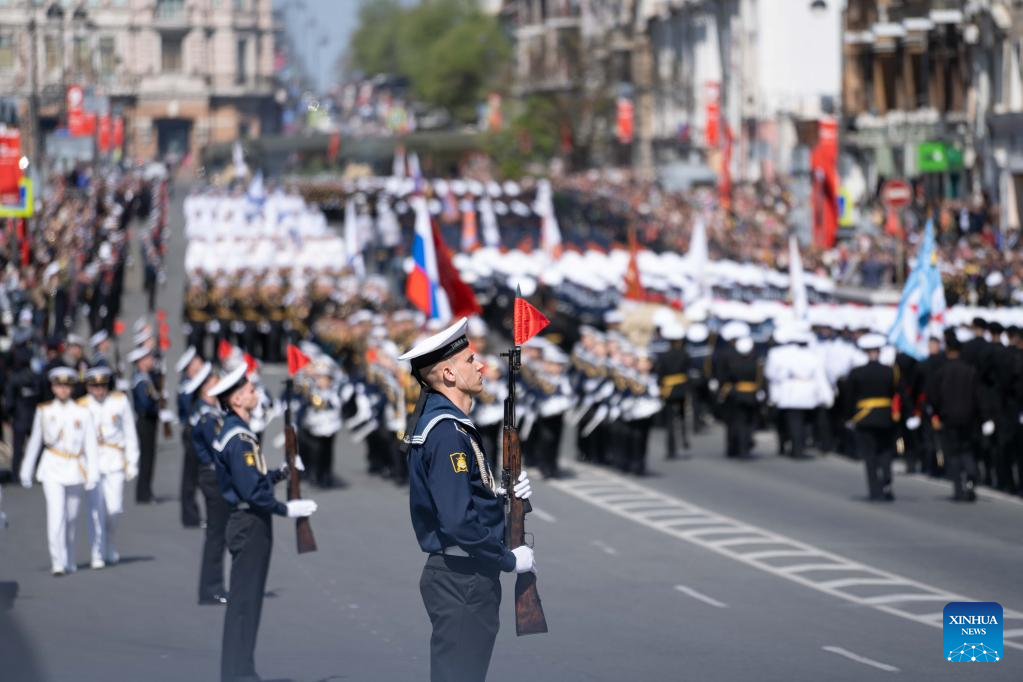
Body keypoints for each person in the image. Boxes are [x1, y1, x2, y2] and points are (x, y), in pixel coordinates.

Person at [400, 318, 535, 682]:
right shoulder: (446, 433)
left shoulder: (450, 425)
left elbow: (467, 492)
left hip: (465, 574)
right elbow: (458, 519)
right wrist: (507, 559)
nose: (481, 366)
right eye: (471, 360)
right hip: (463, 578)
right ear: (448, 373)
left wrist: (506, 494)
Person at [209, 363, 318, 682]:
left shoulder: (237, 431)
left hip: (248, 520)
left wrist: (283, 473)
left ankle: (240, 670)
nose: (255, 393)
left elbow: (254, 478)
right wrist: (287, 510)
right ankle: (237, 673)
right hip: (249, 522)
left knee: (249, 602)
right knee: (244, 603)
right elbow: (251, 490)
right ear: (236, 400)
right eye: (249, 390)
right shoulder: (240, 438)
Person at [20, 367, 99, 576]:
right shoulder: (45, 411)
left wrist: (93, 473)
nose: (63, 389)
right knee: (56, 515)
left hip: (74, 467)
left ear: (72, 388)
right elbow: (35, 441)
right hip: (53, 467)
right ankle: (57, 561)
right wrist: (26, 470)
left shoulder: (82, 412)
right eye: (59, 385)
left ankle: (70, 556)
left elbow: (90, 444)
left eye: (67, 385)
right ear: (53, 388)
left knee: (71, 516)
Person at [80, 366, 139, 568]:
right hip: (92, 463)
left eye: (102, 385)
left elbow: (130, 432)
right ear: (88, 387)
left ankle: (111, 543)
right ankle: (96, 551)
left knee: (113, 509)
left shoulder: (120, 401)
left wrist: (133, 461)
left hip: (114, 460)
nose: (99, 390)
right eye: (94, 386)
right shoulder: (81, 406)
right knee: (95, 510)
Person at [927, 331, 992, 502]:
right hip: (969, 417)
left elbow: (933, 395)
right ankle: (971, 475)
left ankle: (958, 489)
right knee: (967, 449)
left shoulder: (942, 371)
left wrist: (936, 412)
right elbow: (979, 396)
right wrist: (985, 418)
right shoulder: (971, 371)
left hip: (948, 417)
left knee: (953, 453)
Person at [188, 362, 230, 605]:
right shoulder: (208, 417)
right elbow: (218, 447)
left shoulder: (212, 413)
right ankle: (211, 588)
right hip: (214, 477)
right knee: (216, 535)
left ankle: (212, 587)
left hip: (213, 476)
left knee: (218, 535)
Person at [845, 333, 898, 501]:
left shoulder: (857, 372)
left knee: (870, 455)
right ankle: (887, 479)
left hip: (864, 417)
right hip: (885, 416)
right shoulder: (889, 372)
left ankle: (875, 490)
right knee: (885, 450)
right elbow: (898, 393)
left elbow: (849, 397)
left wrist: (848, 417)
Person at [176, 346, 204, 527]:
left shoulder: (192, 384)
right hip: (192, 432)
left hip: (194, 432)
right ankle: (190, 516)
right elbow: (188, 408)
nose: (201, 365)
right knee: (191, 476)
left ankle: (191, 515)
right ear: (190, 367)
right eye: (197, 363)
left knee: (194, 475)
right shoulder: (188, 386)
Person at [128, 345, 160, 503]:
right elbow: (145, 403)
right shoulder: (141, 380)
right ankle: (144, 494)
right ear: (140, 362)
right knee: (147, 458)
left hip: (148, 421)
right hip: (145, 421)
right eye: (147, 358)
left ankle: (145, 492)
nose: (151, 360)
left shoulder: (146, 377)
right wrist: (157, 407)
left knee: (149, 457)